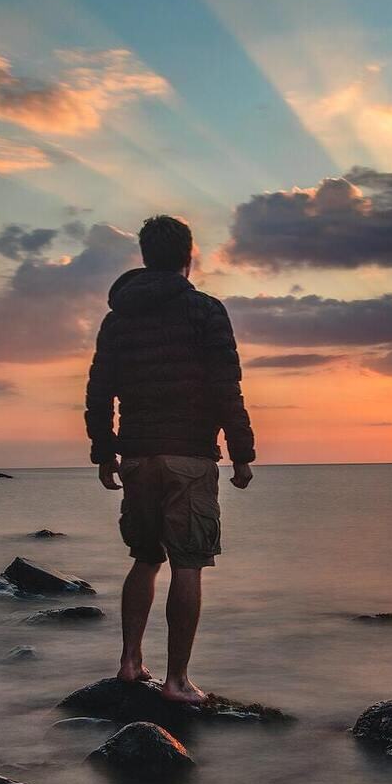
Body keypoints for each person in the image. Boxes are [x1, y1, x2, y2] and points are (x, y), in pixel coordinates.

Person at [85, 215, 255, 705]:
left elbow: (99, 390)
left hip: (137, 455)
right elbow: (226, 385)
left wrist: (104, 450)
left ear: (144, 256)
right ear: (189, 255)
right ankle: (177, 681)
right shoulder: (205, 311)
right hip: (188, 456)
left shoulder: (118, 318)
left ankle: (129, 662)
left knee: (144, 558)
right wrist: (241, 454)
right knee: (188, 564)